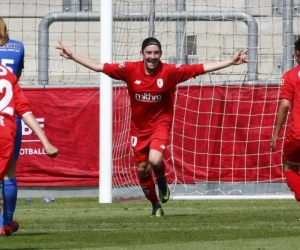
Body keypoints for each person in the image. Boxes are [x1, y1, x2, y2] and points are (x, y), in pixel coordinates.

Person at [57, 37, 248, 216]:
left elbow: (199, 68)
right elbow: (100, 66)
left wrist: (230, 62)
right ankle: (155, 204)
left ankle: (163, 183)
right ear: (142, 54)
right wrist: (72, 55)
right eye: (148, 53)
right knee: (142, 169)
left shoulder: (170, 72)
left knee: (155, 160)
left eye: (156, 53)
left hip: (161, 124)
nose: (152, 57)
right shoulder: (130, 69)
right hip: (138, 129)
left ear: (161, 54)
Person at [0, 64, 58, 236]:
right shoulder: (8, 74)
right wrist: (46, 142)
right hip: (6, 134)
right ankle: (7, 223)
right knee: (9, 173)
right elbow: (24, 111)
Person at [0, 17, 25, 233]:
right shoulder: (18, 48)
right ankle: (6, 223)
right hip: (10, 114)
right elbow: (17, 76)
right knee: (9, 171)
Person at [270, 37, 300, 202]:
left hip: (297, 135)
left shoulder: (291, 76)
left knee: (289, 167)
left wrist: (276, 133)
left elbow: (285, 105)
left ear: (297, 53)